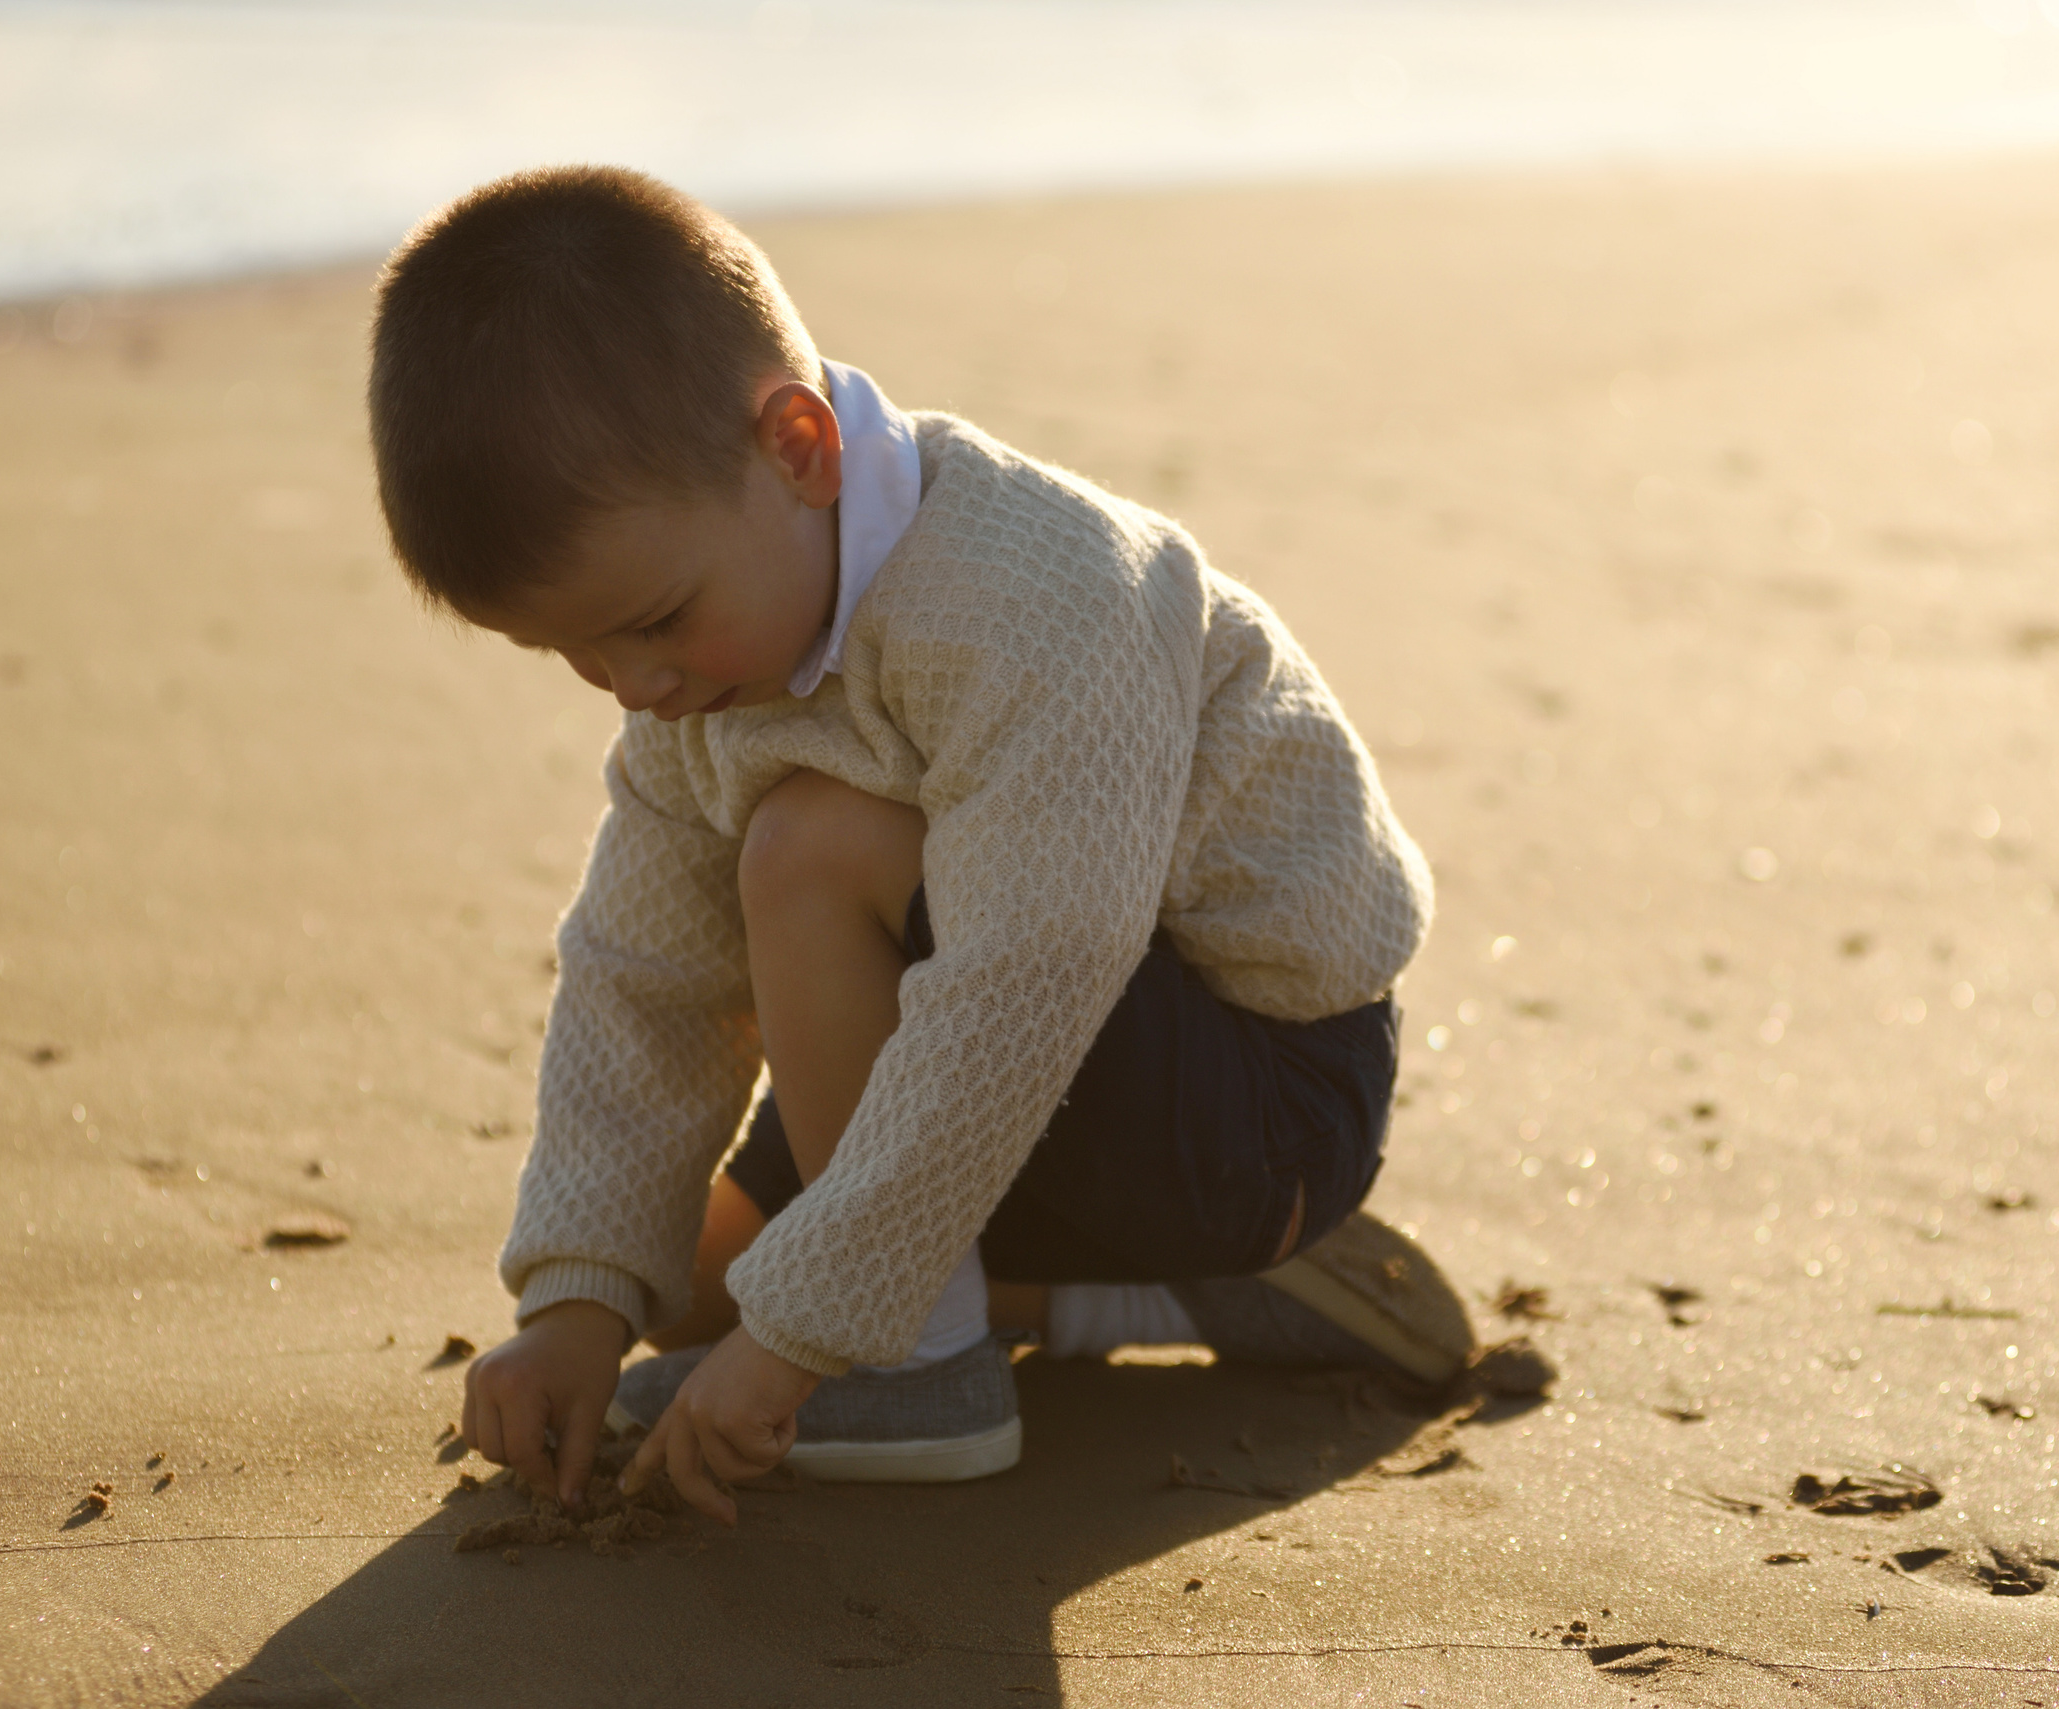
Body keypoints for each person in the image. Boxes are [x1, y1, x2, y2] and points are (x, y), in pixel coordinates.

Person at [367, 164, 1465, 1526]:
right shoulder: (712, 668)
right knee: (692, 1282)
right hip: (1025, 1079)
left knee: (806, 848)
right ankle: (1161, 1298)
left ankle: (925, 1367)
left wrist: (817, 1336)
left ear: (801, 449)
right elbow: (644, 977)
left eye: (651, 619)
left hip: (1256, 1097)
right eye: (573, 652)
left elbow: (1030, 970)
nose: (630, 682)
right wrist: (576, 1302)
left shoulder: (1048, 591)